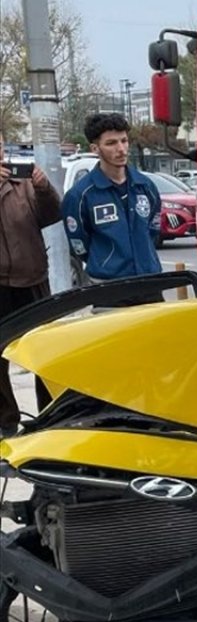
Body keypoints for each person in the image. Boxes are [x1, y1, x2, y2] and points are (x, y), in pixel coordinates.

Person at [62, 113, 164, 306]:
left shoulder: (145, 186)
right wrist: (107, 262)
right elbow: (80, 243)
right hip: (108, 288)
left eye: (124, 141)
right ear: (95, 148)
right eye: (111, 143)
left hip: (150, 283)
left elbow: (152, 229)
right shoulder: (81, 195)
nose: (121, 149)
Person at [0, 138, 59, 433]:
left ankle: (49, 420)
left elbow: (51, 215)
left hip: (32, 278)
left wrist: (44, 188)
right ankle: (6, 424)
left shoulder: (20, 182)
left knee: (44, 353)